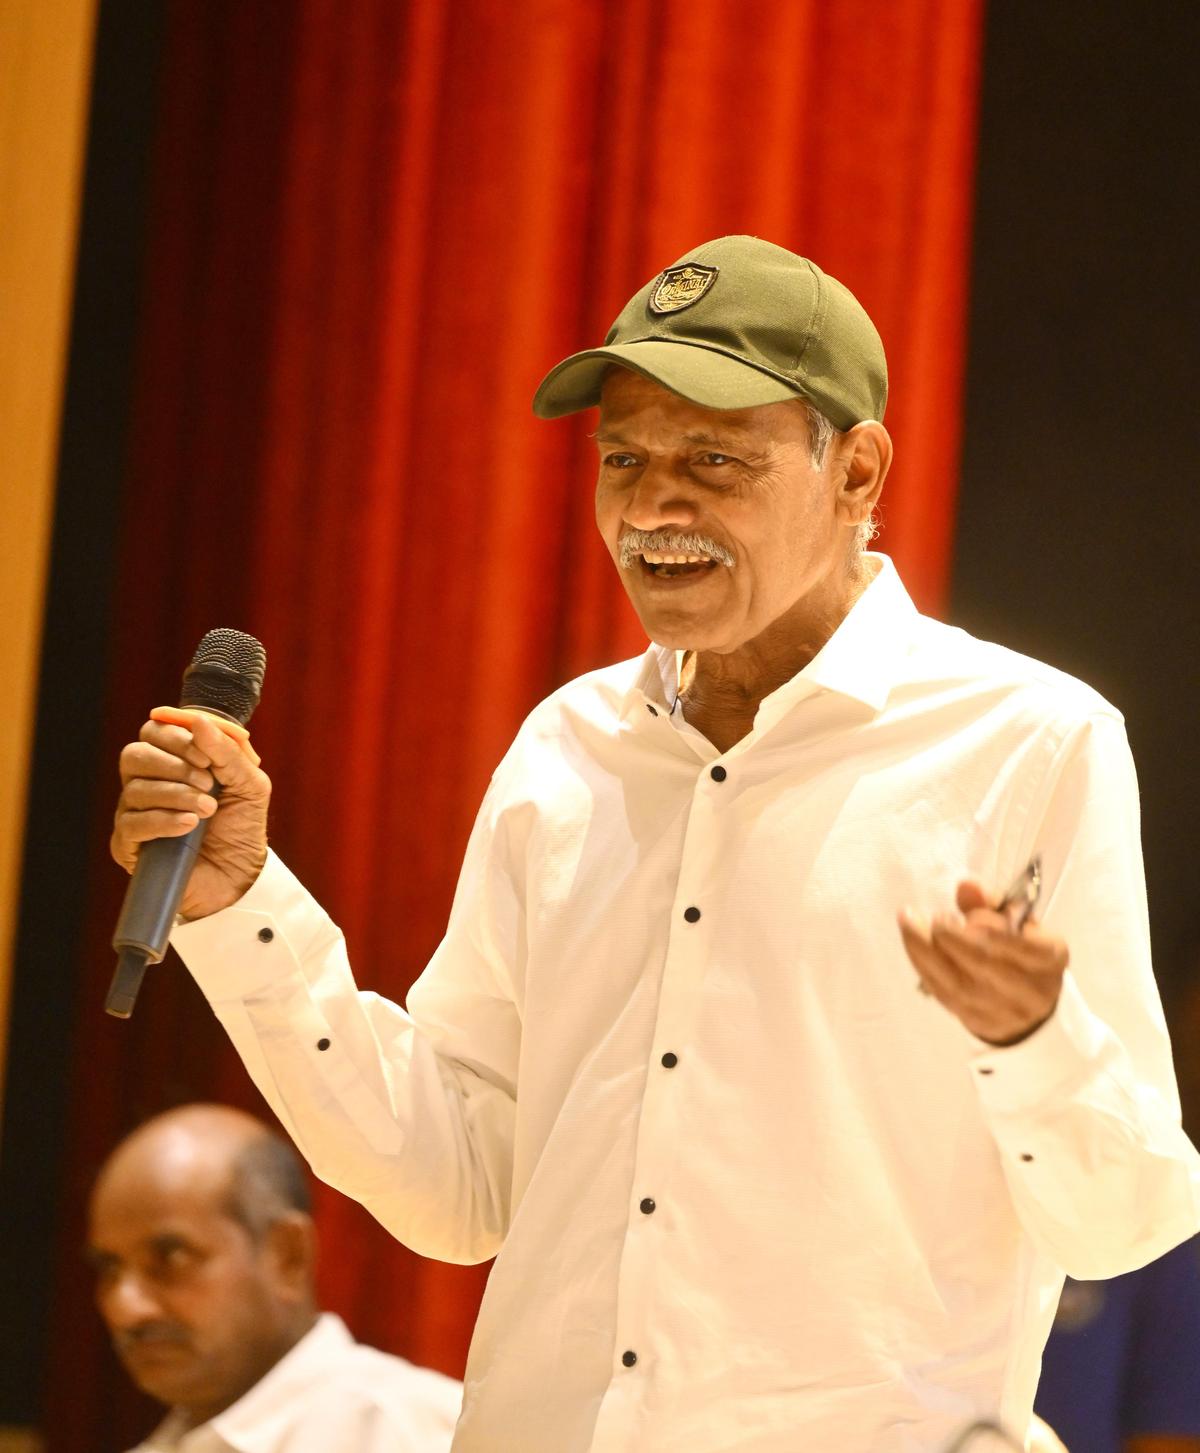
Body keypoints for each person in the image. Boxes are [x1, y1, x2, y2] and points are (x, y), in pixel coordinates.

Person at [110, 235, 1200, 1452]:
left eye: (714, 462)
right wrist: (241, 901)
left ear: (857, 469)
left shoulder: (1029, 742)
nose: (652, 507)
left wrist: (1032, 1038)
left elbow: (1125, 1220)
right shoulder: (565, 747)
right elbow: (459, 1180)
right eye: (623, 460)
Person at [87, 1103, 461, 1451]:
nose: (126, 1308)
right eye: (110, 1268)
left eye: (172, 1258)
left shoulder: (427, 1434)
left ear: (287, 1256)